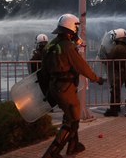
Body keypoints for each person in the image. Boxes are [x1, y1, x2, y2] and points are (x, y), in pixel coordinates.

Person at [41, 13, 104, 158]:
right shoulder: (67, 46)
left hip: (55, 86)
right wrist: (97, 79)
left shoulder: (51, 45)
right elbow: (82, 67)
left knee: (72, 116)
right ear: (71, 27)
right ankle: (52, 153)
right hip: (66, 88)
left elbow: (44, 70)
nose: (77, 30)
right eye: (76, 27)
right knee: (71, 121)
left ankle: (73, 146)